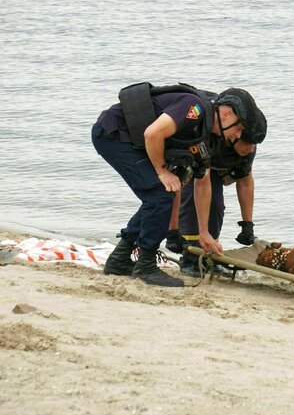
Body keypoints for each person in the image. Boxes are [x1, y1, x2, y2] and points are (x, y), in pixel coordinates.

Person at [91, 82, 264, 287]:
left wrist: (204, 232)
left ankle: (119, 259)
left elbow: (202, 183)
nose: (238, 134)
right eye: (239, 127)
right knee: (160, 195)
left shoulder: (208, 137)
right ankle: (146, 265)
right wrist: (161, 171)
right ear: (226, 113)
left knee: (162, 194)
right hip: (113, 134)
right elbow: (152, 134)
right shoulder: (194, 107)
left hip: (133, 141)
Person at [164, 88, 267, 276]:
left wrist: (247, 224)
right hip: (192, 161)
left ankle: (209, 254)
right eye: (248, 142)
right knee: (196, 202)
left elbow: (245, 181)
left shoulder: (247, 147)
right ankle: (189, 257)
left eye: (255, 145)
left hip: (215, 169)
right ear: (236, 133)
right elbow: (199, 182)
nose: (251, 148)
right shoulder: (215, 133)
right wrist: (173, 231)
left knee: (217, 207)